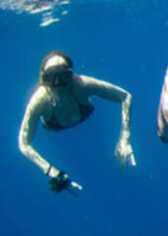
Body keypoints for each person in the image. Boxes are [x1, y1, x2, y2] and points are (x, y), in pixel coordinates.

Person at [18, 51, 135, 194]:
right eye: (51, 78)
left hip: (77, 117)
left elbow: (125, 97)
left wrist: (125, 137)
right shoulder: (39, 102)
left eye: (64, 76)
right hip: (60, 124)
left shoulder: (81, 84)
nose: (58, 84)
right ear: (43, 80)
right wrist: (50, 171)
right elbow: (23, 143)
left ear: (72, 75)